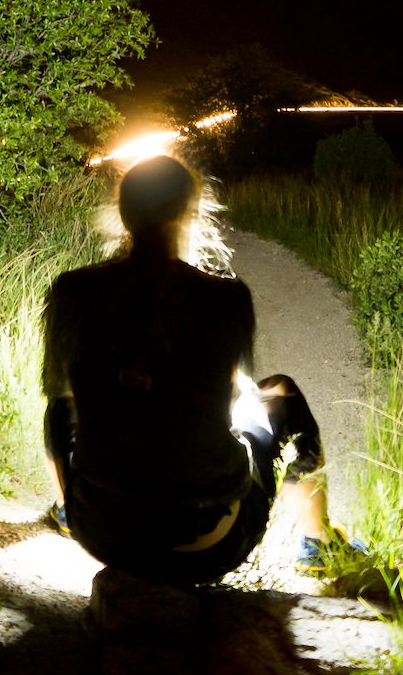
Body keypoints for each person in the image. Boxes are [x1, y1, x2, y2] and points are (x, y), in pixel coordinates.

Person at [42, 154, 347, 583]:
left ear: (124, 213)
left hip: (105, 534)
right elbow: (233, 400)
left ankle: (67, 510)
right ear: (189, 212)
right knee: (286, 398)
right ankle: (318, 545)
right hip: (210, 539)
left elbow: (63, 398)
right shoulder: (226, 298)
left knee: (58, 408)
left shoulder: (73, 292)